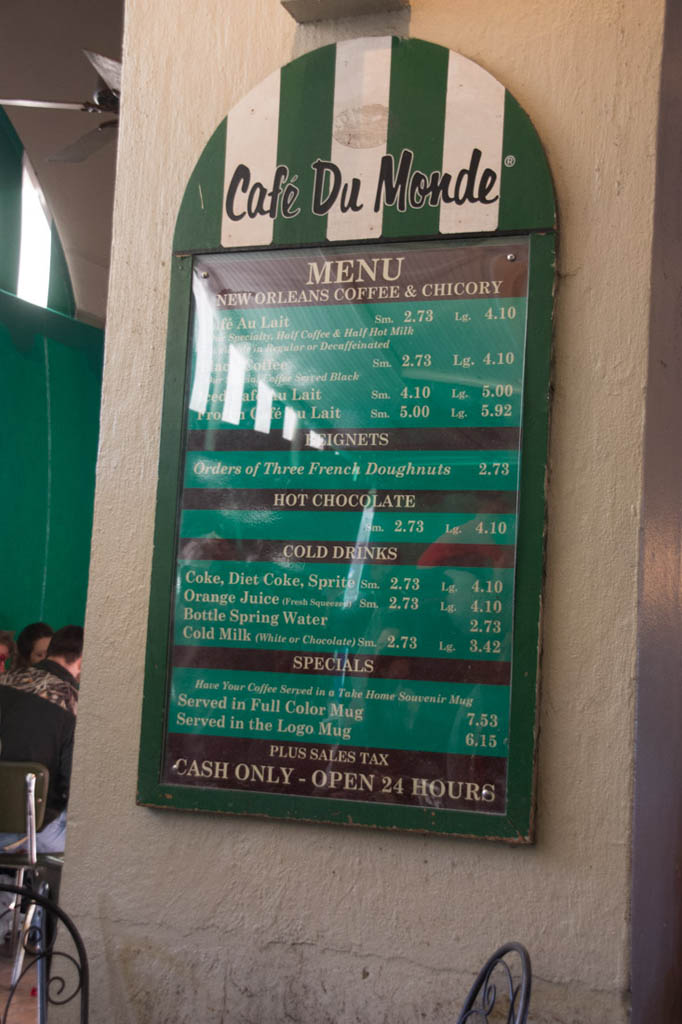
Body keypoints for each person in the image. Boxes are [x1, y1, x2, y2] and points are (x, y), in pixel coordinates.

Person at [0, 625, 83, 853]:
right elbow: (73, 784)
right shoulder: (73, 705)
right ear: (82, 661)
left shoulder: (5, 679)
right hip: (29, 831)